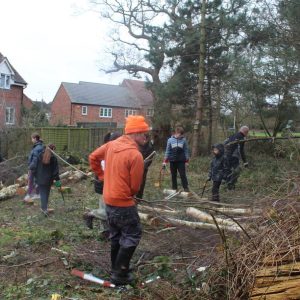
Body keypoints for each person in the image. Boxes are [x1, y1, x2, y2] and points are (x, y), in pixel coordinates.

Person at [89, 115, 149, 286]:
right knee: (132, 234)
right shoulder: (135, 155)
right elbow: (135, 187)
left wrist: (102, 177)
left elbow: (93, 157)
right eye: (144, 133)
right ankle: (119, 273)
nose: (146, 136)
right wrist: (103, 177)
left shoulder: (111, 145)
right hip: (123, 202)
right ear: (135, 133)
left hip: (109, 200)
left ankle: (116, 266)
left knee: (115, 234)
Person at [83, 131, 122, 231]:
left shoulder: (112, 149)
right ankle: (91, 215)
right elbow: (100, 165)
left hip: (107, 184)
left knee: (104, 207)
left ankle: (104, 230)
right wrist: (103, 177)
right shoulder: (107, 151)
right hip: (104, 184)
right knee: (107, 210)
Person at [33, 144, 60, 216]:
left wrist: (35, 177)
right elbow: (55, 172)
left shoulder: (39, 156)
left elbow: (34, 167)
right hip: (48, 179)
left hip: (40, 179)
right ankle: (44, 209)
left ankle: (44, 208)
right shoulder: (53, 158)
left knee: (43, 194)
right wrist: (57, 181)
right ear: (53, 150)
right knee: (46, 193)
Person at [163, 126, 190, 192]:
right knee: (173, 175)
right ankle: (174, 188)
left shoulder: (184, 140)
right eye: (179, 134)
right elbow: (167, 151)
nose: (180, 135)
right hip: (172, 160)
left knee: (182, 174)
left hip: (181, 161)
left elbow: (186, 151)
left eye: (181, 134)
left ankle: (186, 188)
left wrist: (187, 161)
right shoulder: (170, 140)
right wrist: (165, 161)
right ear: (176, 132)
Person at [224, 126, 249, 190]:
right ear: (246, 132)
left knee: (228, 170)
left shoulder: (232, 135)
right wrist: (245, 162)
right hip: (234, 157)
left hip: (226, 155)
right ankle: (231, 184)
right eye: (247, 132)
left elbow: (224, 143)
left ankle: (227, 184)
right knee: (237, 170)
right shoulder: (242, 138)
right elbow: (241, 150)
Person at [24, 133, 44, 203]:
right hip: (38, 167)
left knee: (31, 181)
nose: (31, 140)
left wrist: (30, 167)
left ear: (35, 138)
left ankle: (29, 195)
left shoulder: (37, 148)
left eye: (32, 138)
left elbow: (35, 160)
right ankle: (38, 194)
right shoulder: (39, 146)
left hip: (34, 167)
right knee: (37, 180)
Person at [136, 133, 155, 199]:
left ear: (147, 139)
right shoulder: (137, 145)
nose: (143, 140)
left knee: (141, 182)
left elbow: (150, 159)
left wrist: (144, 165)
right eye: (142, 138)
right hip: (135, 167)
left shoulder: (150, 147)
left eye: (144, 139)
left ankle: (139, 198)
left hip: (144, 168)